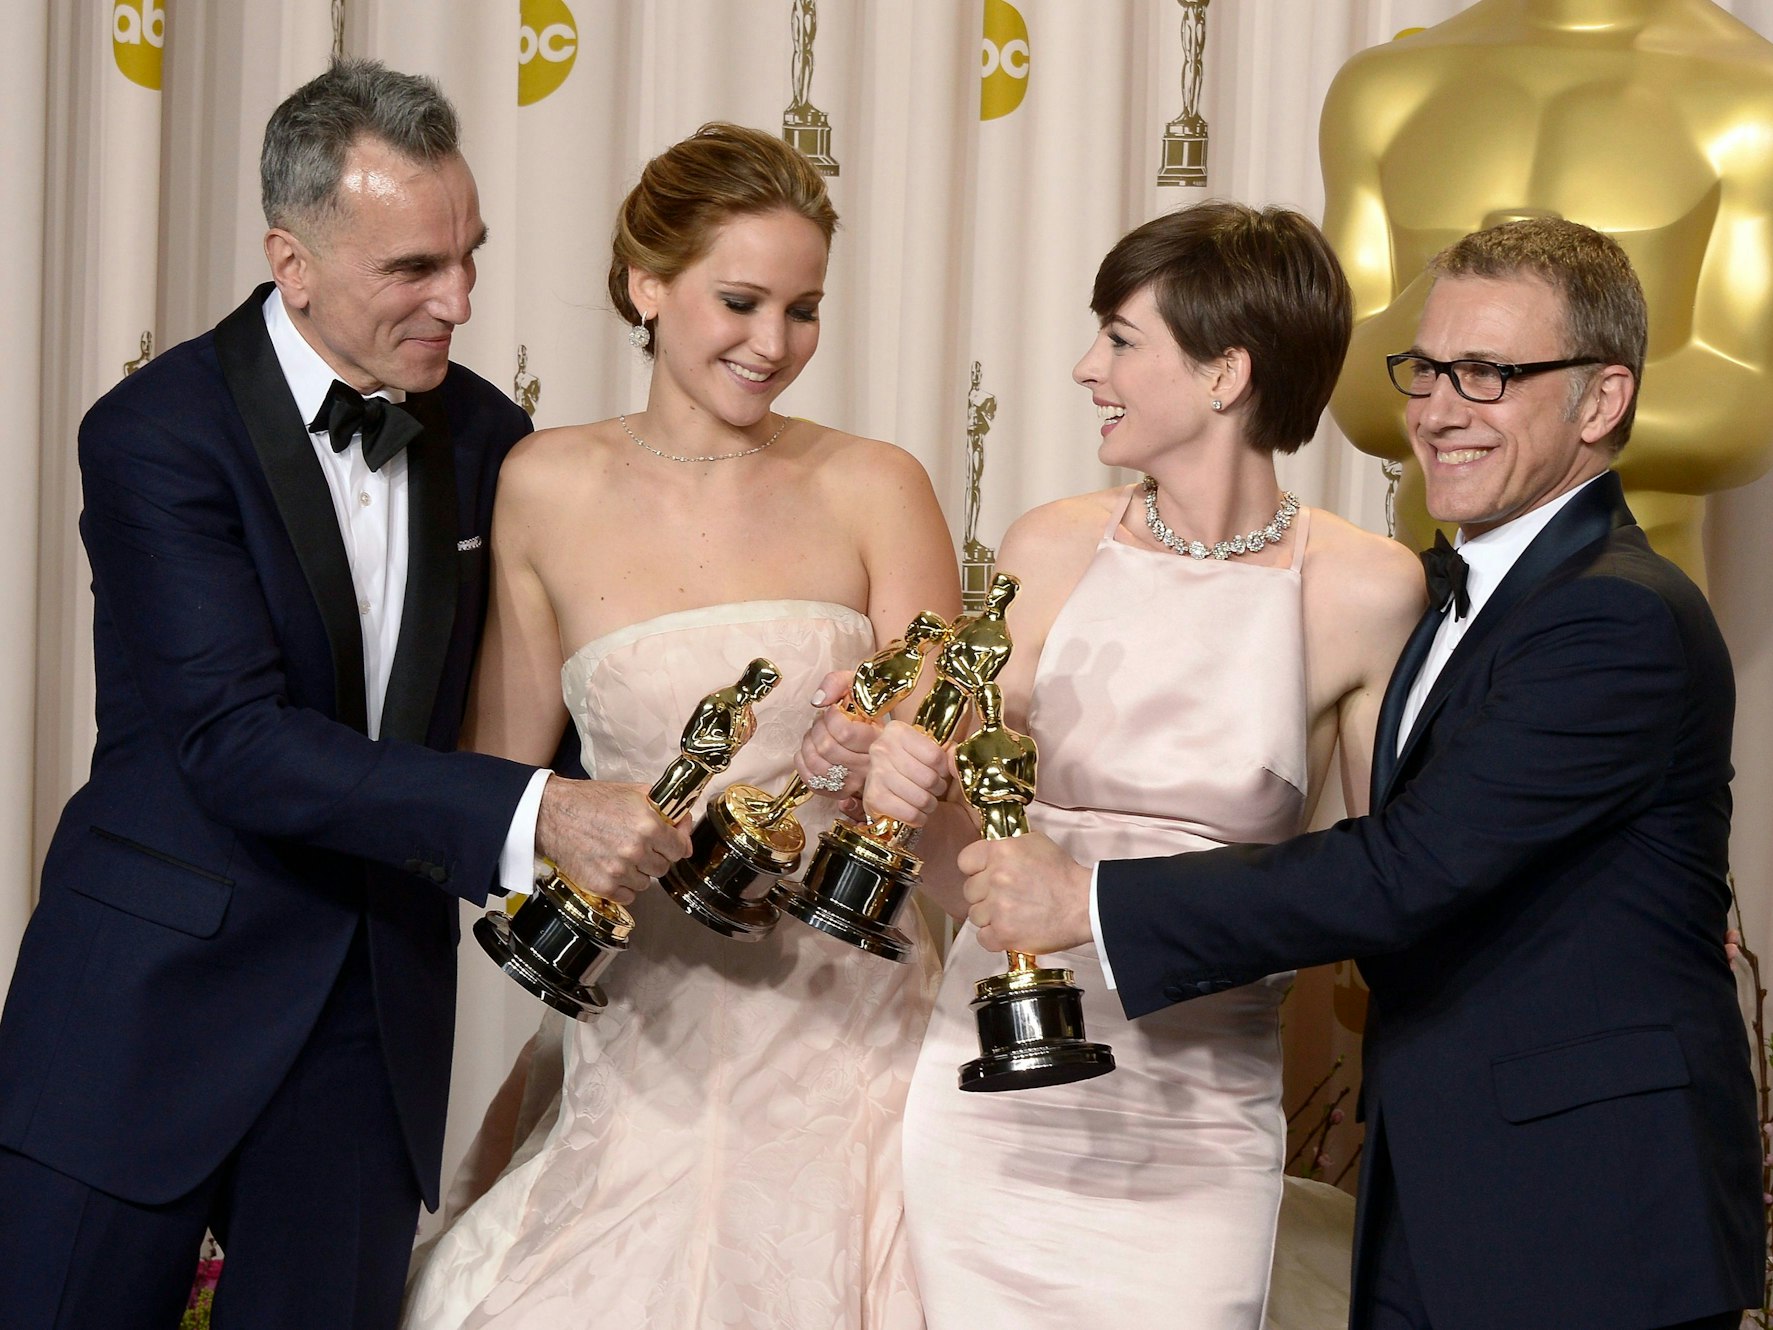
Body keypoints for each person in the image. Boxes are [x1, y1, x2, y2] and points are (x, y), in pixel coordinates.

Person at [959, 217, 1762, 1330]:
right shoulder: (1428, 593)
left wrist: (1086, 897)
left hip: (1588, 1214)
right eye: (1427, 369)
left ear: (1601, 399)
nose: (1437, 408)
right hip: (1444, 1185)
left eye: (1488, 373)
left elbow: (1408, 865)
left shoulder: (1617, 616)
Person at [0, 59, 687, 1330]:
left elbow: (546, 685)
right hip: (143, 1007)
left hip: (371, 1020)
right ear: (292, 260)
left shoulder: (489, 436)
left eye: (470, 256)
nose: (461, 300)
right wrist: (544, 813)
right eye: (414, 270)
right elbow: (234, 743)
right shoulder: (154, 432)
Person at [401, 122, 959, 1330]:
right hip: (650, 1022)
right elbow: (504, 779)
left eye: (803, 309)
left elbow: (938, 770)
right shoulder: (543, 484)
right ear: (649, 286)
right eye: (742, 300)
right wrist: (580, 835)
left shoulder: (879, 483)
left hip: (852, 1032)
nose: (775, 344)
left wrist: (880, 759)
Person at [860, 201, 1424, 1330]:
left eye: (1121, 338)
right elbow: (958, 855)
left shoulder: (1368, 588)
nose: (1086, 367)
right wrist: (892, 785)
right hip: (993, 1089)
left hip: (1199, 1119)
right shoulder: (1046, 545)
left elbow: (1392, 892)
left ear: (1226, 374)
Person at [1320, 0, 1773, 587]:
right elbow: (1352, 393)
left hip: (1624, 604)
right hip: (1418, 603)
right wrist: (1477, 280)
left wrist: (1485, 350)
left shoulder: (1753, 92)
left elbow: (1736, 420)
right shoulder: (1385, 86)